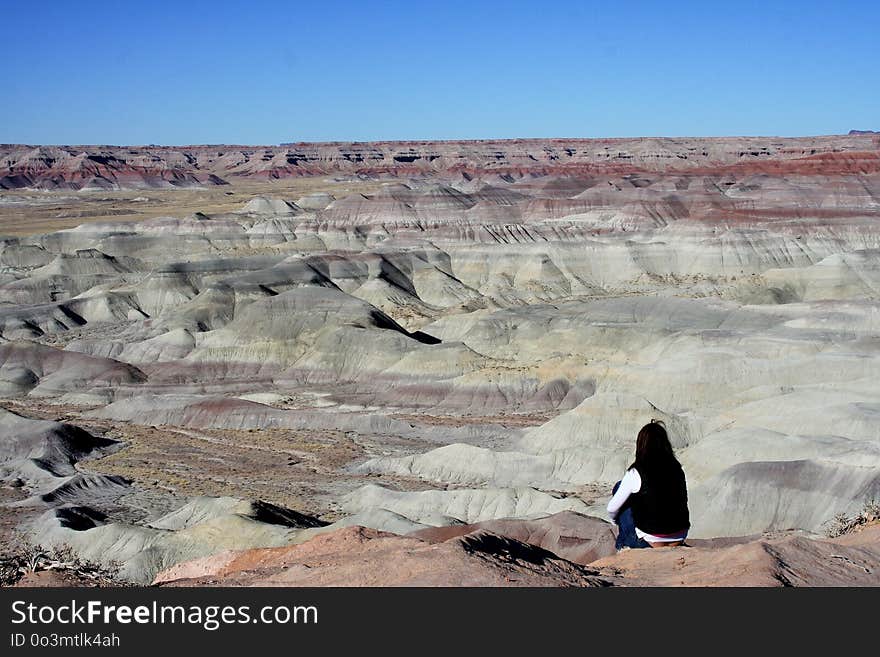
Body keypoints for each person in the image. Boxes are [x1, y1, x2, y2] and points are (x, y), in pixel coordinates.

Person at [607, 419, 690, 550]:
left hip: (650, 541)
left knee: (620, 488)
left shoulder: (637, 472)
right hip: (679, 536)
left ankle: (623, 546)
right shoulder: (677, 468)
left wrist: (616, 521)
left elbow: (612, 509)